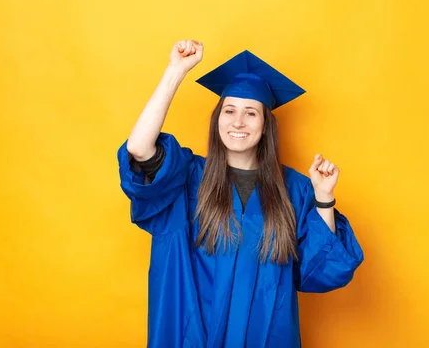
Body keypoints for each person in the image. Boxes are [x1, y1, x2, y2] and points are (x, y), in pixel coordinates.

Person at [117, 40, 364, 348]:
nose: (237, 121)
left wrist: (324, 198)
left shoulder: (295, 189)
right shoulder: (188, 177)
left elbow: (324, 272)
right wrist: (175, 71)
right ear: (217, 119)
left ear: (265, 126)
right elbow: (139, 148)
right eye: (229, 110)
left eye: (251, 113)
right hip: (192, 336)